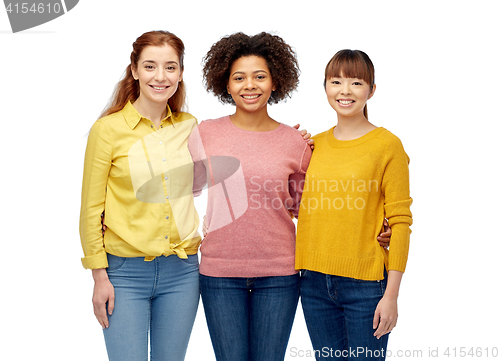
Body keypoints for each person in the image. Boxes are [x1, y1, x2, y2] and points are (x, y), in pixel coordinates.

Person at [188, 32, 312, 361]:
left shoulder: (295, 142)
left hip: (280, 274)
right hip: (218, 274)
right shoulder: (205, 133)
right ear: (225, 85)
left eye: (260, 76)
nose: (249, 85)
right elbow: (184, 190)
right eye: (239, 78)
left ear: (275, 82)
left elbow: (307, 210)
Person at [79, 31, 201, 361]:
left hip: (183, 273)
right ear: (134, 70)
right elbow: (91, 210)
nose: (160, 77)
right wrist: (99, 277)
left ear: (180, 73)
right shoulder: (107, 130)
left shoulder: (190, 127)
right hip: (123, 275)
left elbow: (223, 169)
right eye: (150, 66)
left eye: (170, 67)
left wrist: (294, 139)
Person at [296, 50, 413, 360]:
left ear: (371, 90)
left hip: (366, 285)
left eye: (356, 82)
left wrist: (392, 296)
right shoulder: (312, 145)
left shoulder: (387, 145)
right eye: (336, 81)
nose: (344, 91)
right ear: (325, 88)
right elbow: (298, 206)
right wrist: (285, 149)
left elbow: (401, 222)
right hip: (313, 282)